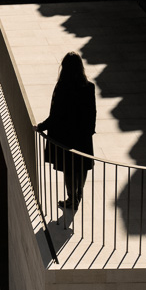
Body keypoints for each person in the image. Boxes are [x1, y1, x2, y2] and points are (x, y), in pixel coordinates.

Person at [36, 51, 96, 208]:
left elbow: (55, 115)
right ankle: (78, 194)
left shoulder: (62, 87)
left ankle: (71, 198)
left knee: (69, 168)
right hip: (83, 136)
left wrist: (41, 127)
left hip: (66, 136)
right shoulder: (89, 87)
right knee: (82, 166)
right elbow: (92, 112)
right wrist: (89, 131)